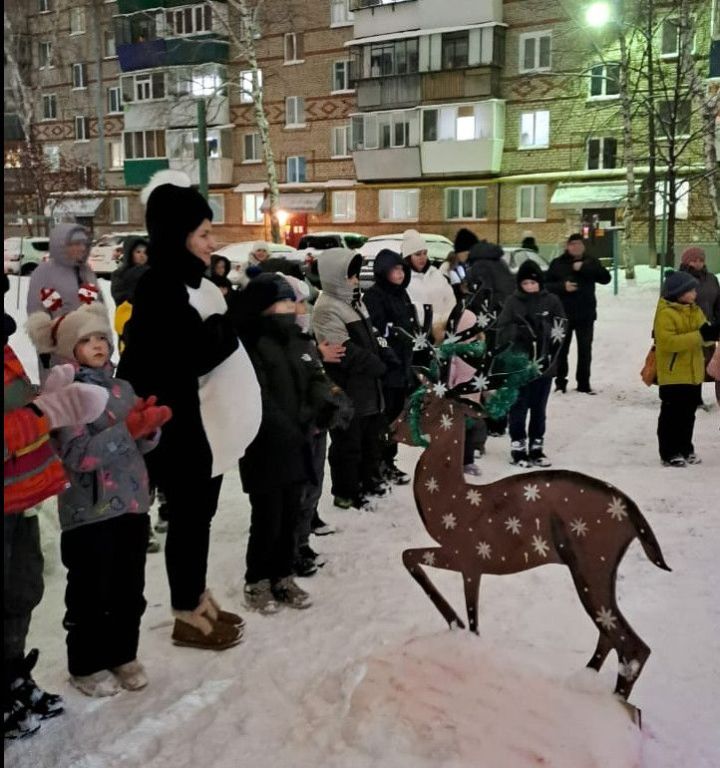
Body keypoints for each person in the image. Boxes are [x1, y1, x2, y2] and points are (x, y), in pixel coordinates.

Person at [117, 171, 262, 650]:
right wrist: (235, 316)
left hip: (207, 430)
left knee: (199, 519)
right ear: (176, 236)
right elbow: (195, 351)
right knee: (187, 520)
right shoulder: (159, 288)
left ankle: (196, 597)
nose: (212, 242)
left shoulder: (192, 283)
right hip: (179, 432)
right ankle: (185, 611)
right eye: (203, 234)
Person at [26, 303, 170, 697]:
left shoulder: (122, 388)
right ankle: (86, 664)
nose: (97, 346)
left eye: (101, 338)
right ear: (68, 349)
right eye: (85, 340)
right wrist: (128, 430)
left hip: (132, 504)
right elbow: (77, 456)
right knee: (92, 593)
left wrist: (149, 428)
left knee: (129, 588)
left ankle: (123, 654)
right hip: (89, 511)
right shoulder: (65, 394)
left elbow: (137, 446)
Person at [4, 278, 108, 737]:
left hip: (17, 501)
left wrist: (42, 396)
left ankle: (11, 680)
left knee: (21, 593)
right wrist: (47, 412)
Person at [231, 274, 345, 612]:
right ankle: (257, 581)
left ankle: (282, 576)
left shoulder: (298, 340)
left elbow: (316, 378)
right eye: (285, 302)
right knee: (268, 516)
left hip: (299, 440)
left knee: (292, 512)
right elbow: (259, 398)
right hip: (265, 446)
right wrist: (289, 428)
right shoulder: (251, 345)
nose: (294, 308)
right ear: (266, 306)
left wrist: (323, 407)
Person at [278, 274, 347, 574]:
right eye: (298, 303)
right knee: (298, 490)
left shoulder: (305, 340)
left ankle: (302, 542)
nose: (303, 309)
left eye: (305, 303)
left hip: (317, 424)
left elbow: (316, 377)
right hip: (297, 429)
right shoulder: (280, 342)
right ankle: (291, 549)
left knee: (314, 483)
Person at [312, 248, 387, 510]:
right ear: (336, 277)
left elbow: (374, 334)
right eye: (350, 276)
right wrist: (378, 364)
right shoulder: (326, 308)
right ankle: (345, 491)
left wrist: (385, 351)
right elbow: (343, 350)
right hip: (348, 387)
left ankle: (367, 481)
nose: (356, 281)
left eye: (356, 275)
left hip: (368, 385)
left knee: (370, 439)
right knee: (348, 444)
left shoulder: (355, 301)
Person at [109, 236, 162, 553]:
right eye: (138, 252)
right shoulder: (125, 295)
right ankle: (142, 519)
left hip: (159, 381)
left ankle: (163, 509)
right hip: (138, 380)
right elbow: (123, 326)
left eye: (146, 251)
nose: (142, 256)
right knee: (144, 453)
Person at [496, 261, 567, 467]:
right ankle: (518, 445)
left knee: (538, 408)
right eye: (525, 283)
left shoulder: (551, 301)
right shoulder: (512, 302)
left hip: (544, 365)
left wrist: (544, 332)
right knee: (518, 406)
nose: (529, 287)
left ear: (539, 283)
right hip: (518, 366)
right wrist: (518, 332)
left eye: (533, 283)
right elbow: (501, 329)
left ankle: (537, 446)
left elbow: (560, 327)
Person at [363, 249, 419, 485]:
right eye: (395, 269)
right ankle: (378, 463)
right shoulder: (375, 296)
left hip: (404, 365)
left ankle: (390, 460)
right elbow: (376, 332)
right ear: (383, 271)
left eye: (401, 269)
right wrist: (391, 343)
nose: (399, 273)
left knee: (396, 418)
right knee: (384, 419)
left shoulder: (401, 294)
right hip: (387, 368)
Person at [653, 271, 719, 467]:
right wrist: (700, 335)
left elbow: (703, 333)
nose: (694, 294)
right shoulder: (665, 313)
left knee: (688, 414)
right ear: (678, 293)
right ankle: (669, 452)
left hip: (692, 373)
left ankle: (685, 447)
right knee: (672, 415)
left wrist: (711, 332)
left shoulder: (694, 310)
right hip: (673, 375)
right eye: (690, 291)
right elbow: (668, 342)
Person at [27, 224, 103, 381]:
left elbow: (99, 306)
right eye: (75, 244)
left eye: (84, 243)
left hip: (90, 347)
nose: (82, 248)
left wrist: (105, 338)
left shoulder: (86, 272)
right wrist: (45, 349)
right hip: (60, 351)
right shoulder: (44, 272)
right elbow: (36, 312)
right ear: (61, 245)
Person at [546, 233, 611, 394]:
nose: (576, 247)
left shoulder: (591, 261)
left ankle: (583, 383)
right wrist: (563, 287)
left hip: (585, 314)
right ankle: (560, 383)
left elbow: (605, 278)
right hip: (562, 315)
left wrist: (583, 268)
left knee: (585, 350)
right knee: (561, 350)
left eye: (579, 244)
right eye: (573, 244)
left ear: (583, 246)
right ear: (567, 246)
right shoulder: (558, 263)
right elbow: (545, 285)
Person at [446, 308, 488, 477]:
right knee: (455, 433)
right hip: (456, 400)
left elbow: (483, 371)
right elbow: (449, 372)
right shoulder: (452, 351)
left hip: (473, 398)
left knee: (472, 430)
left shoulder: (478, 348)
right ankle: (454, 461)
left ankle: (468, 460)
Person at [678, 247, 720, 408]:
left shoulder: (711, 279)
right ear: (686, 261)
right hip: (688, 329)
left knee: (705, 364)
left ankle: (699, 397)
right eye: (694, 260)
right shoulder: (679, 279)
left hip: (708, 327)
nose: (698, 263)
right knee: (690, 364)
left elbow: (718, 302)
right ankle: (691, 397)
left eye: (701, 260)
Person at [401, 229, 456, 343]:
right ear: (408, 257)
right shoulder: (404, 280)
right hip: (422, 335)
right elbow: (413, 308)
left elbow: (450, 298)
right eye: (417, 254)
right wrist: (436, 321)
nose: (422, 257)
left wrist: (448, 318)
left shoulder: (436, 274)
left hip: (448, 329)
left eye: (425, 253)